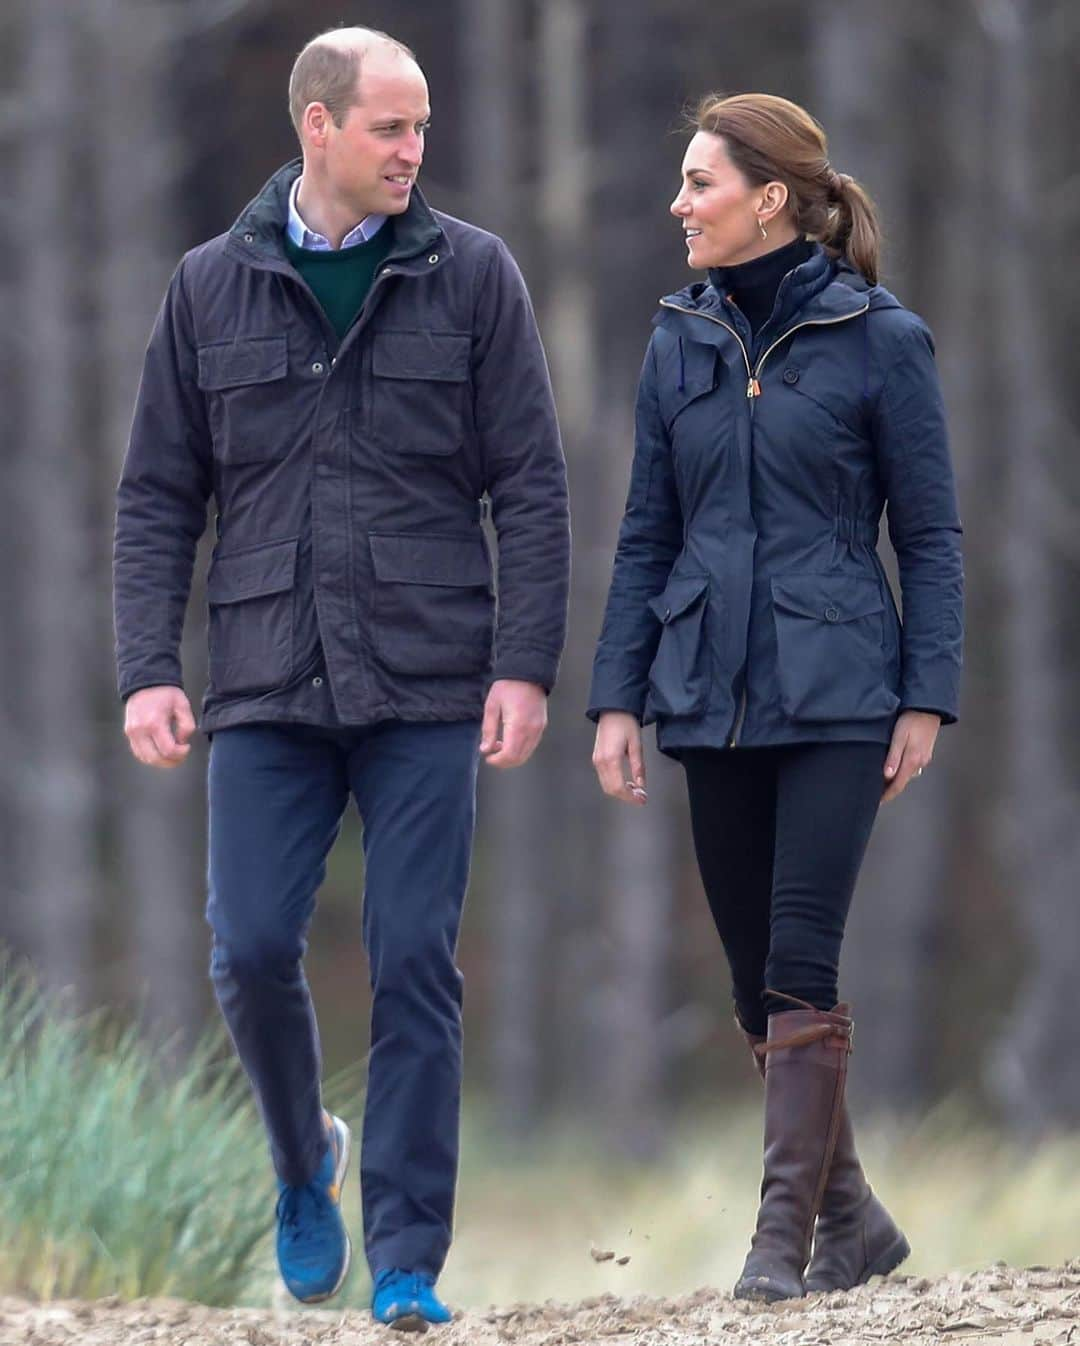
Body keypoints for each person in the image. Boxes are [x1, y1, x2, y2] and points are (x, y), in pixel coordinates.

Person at [113, 26, 569, 1326]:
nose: (416, 150)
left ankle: (409, 1255)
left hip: (430, 674)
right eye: (391, 128)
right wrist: (150, 665)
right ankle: (305, 1157)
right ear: (318, 127)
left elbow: (530, 484)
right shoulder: (209, 286)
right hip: (263, 673)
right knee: (249, 947)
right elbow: (158, 495)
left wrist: (524, 664)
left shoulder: (474, 276)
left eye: (422, 128)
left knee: (415, 954)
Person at [588, 93, 962, 1302]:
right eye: (683, 181)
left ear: (772, 199)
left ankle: (778, 1243)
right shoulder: (674, 341)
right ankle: (852, 1219)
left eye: (700, 183)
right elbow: (646, 534)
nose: (679, 204)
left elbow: (935, 535)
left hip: (844, 690)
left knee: (802, 956)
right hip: (709, 690)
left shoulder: (881, 338)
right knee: (756, 978)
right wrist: (617, 698)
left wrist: (928, 693)